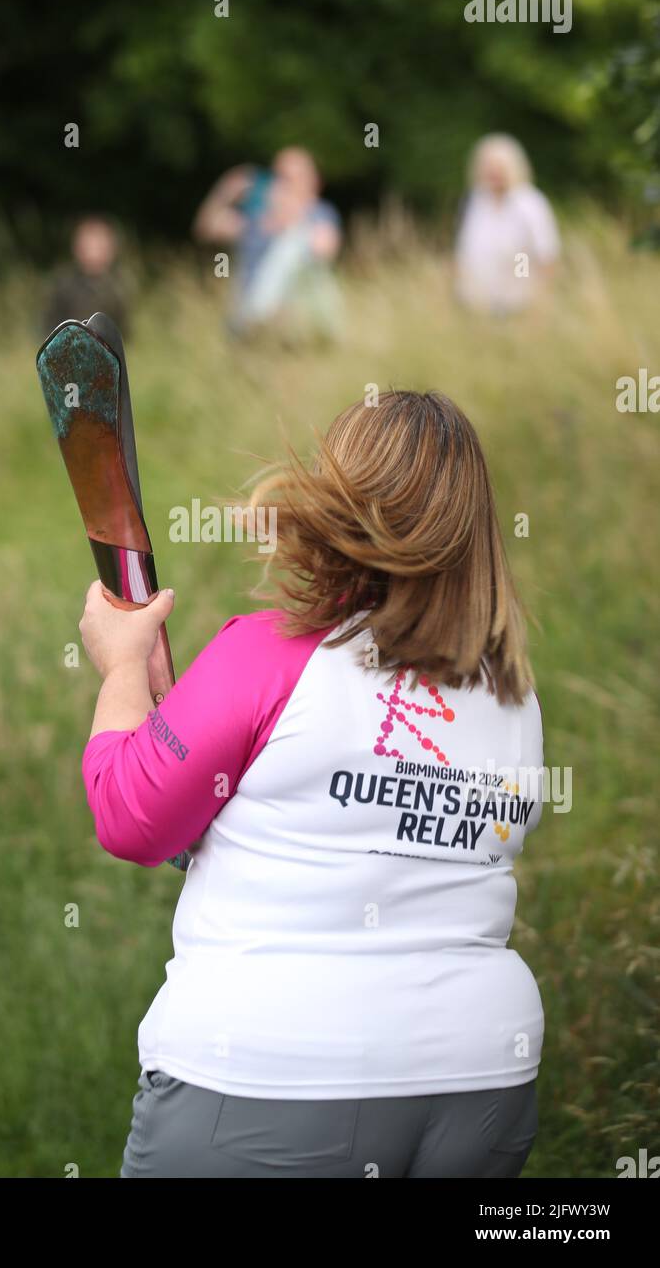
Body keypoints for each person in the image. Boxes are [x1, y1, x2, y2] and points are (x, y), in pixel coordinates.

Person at [79, 390, 545, 1179]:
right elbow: (280, 827)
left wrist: (124, 667)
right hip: (484, 1079)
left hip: (267, 1073)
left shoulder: (270, 653)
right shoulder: (514, 697)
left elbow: (131, 814)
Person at [193, 146, 343, 338]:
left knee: (294, 243)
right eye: (280, 177)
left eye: (293, 178)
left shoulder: (320, 214)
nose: (285, 186)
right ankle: (254, 319)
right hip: (245, 327)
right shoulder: (254, 221)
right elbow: (206, 228)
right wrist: (228, 189)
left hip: (294, 326)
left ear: (313, 182)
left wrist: (292, 220)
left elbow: (324, 248)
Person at [454, 133, 560, 315]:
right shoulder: (474, 201)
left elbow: (540, 253)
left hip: (516, 302)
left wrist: (528, 295)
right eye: (488, 166)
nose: (494, 172)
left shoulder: (528, 202)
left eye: (499, 167)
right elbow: (464, 250)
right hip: (476, 303)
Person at [43, 216, 130, 337]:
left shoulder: (118, 287)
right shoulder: (64, 285)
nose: (93, 253)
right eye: (89, 247)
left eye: (99, 247)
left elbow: (125, 333)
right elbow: (48, 325)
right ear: (77, 249)